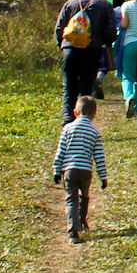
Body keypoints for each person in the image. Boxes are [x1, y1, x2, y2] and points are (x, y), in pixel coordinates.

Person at [54, 0, 117, 126]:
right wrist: (105, 42)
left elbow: (59, 28)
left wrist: (62, 45)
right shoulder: (105, 4)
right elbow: (111, 30)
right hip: (91, 50)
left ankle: (67, 120)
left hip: (69, 49)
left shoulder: (71, 2)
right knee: (85, 87)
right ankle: (82, 122)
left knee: (69, 86)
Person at [52, 95, 108, 244]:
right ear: (94, 115)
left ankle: (73, 232)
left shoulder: (67, 129)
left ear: (75, 112)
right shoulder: (95, 132)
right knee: (84, 196)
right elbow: (99, 157)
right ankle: (82, 221)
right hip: (85, 171)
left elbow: (60, 151)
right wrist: (103, 176)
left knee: (71, 199)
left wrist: (57, 170)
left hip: (69, 170)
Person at [90, 0, 128, 83]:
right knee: (107, 49)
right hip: (112, 23)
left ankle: (93, 75)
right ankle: (102, 74)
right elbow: (122, 7)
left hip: (94, 22)